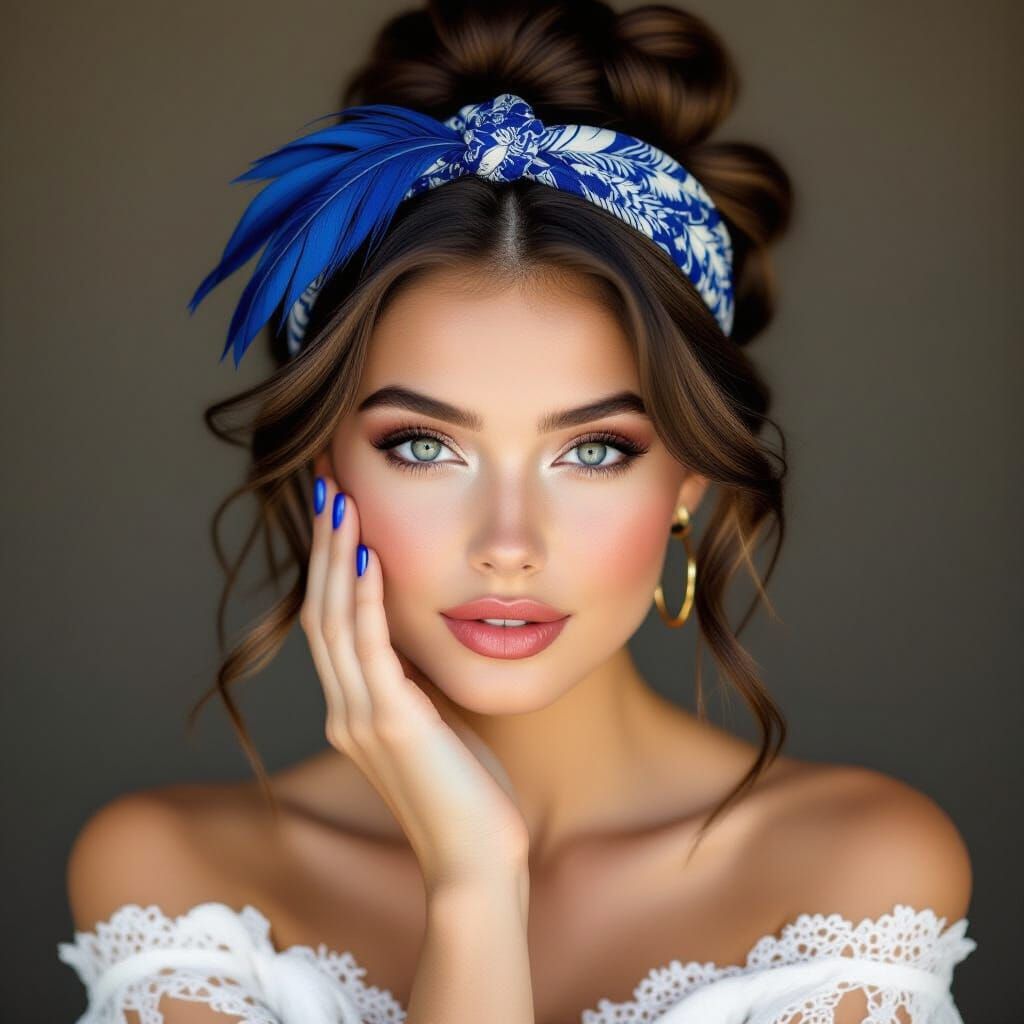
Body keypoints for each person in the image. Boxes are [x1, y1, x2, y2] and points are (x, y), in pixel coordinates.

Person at [56, 2, 977, 1022]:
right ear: (325, 470)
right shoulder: (176, 881)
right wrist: (474, 887)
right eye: (424, 446)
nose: (508, 545)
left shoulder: (854, 874)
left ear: (688, 483)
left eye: (593, 451)